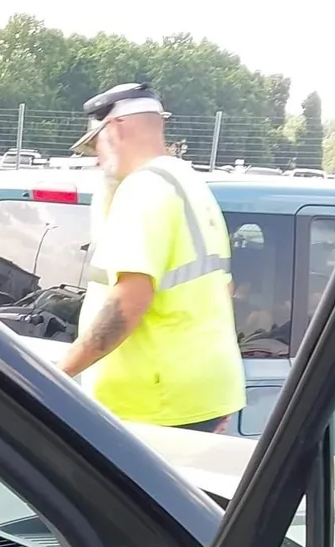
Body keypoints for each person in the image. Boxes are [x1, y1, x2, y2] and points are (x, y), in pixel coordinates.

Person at [56, 82, 244, 433]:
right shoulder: (187, 182)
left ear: (113, 129)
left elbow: (129, 301)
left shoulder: (143, 189)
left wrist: (57, 374)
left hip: (153, 404)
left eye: (96, 145)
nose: (97, 159)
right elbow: (222, 287)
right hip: (198, 394)